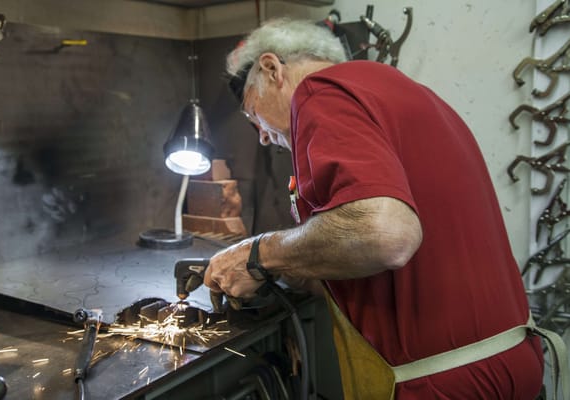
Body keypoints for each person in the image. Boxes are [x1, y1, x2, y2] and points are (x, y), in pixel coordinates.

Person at [202, 18, 552, 399]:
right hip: (514, 357)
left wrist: (257, 254)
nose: (265, 138)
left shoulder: (320, 93)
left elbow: (385, 235)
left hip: (447, 383)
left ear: (271, 69)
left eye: (255, 118)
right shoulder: (409, 94)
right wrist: (282, 268)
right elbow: (370, 260)